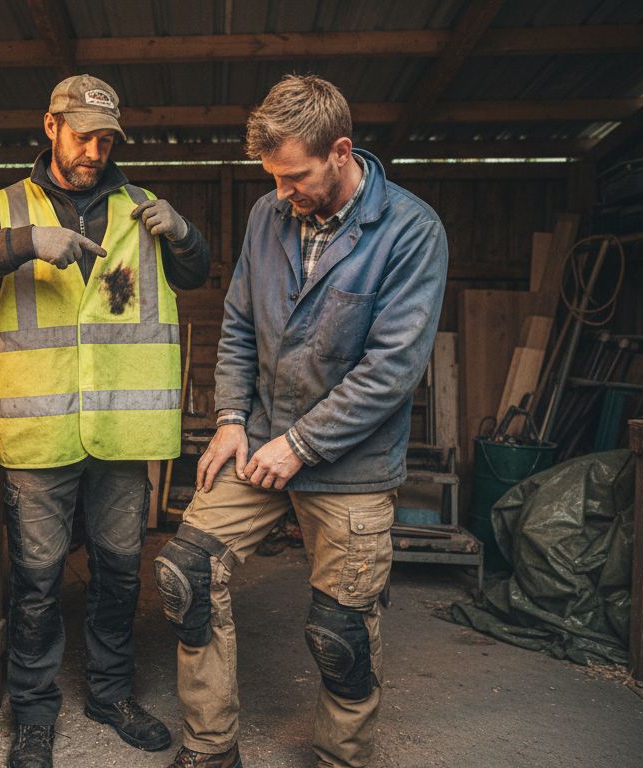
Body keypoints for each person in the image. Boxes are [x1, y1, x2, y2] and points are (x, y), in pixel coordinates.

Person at [155, 74, 448, 768]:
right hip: (261, 439)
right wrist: (231, 418)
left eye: (294, 178)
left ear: (341, 151)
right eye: (273, 179)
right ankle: (209, 750)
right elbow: (236, 323)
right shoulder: (268, 216)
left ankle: (339, 759)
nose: (282, 193)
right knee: (185, 574)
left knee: (340, 631)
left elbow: (393, 370)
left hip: (351, 461)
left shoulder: (411, 231)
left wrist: (303, 442)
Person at [0, 74, 210, 768]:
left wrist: (186, 233)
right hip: (41, 432)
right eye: (83, 134)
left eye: (106, 137)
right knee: (37, 581)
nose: (94, 149)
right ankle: (34, 711)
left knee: (119, 573)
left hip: (120, 432)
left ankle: (111, 694)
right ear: (49, 126)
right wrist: (23, 242)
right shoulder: (1, 208)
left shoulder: (141, 207)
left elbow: (196, 273)